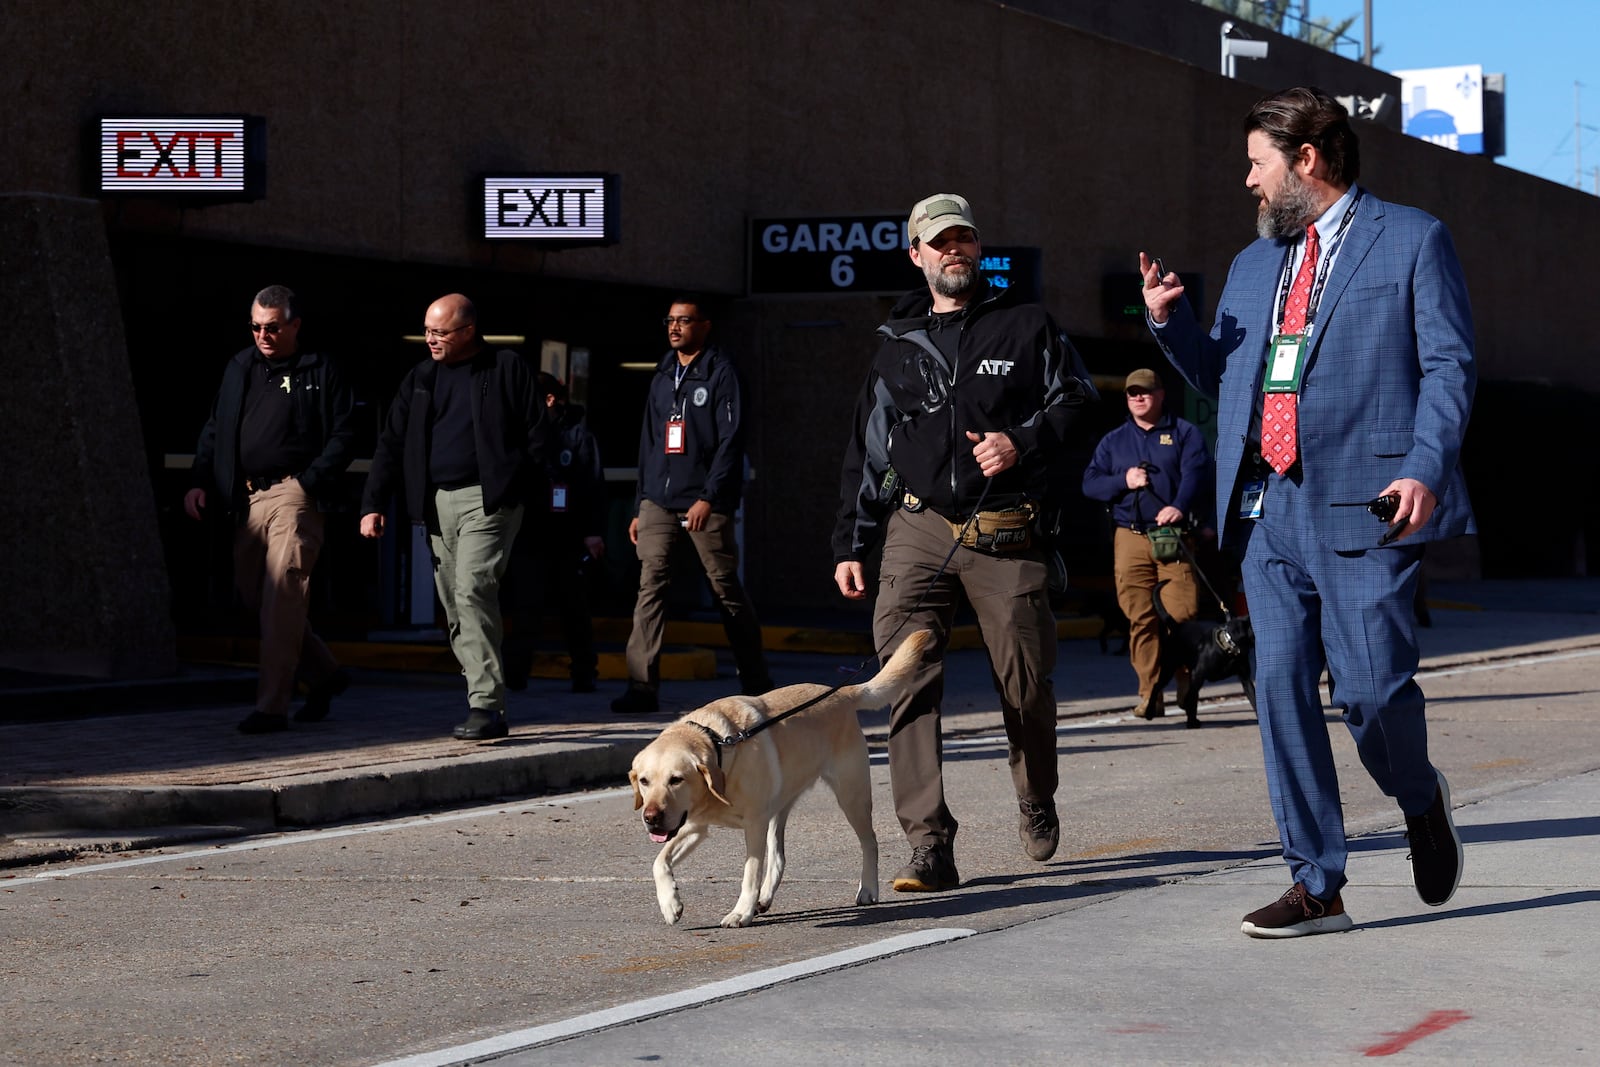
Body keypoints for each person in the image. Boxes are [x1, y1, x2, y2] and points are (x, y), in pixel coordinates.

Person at [1141, 86, 1474, 937]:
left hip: (1370, 505)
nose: (1249, 182)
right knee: (1279, 688)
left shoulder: (1411, 240)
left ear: (1307, 162)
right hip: (1268, 511)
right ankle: (1316, 882)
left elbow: (1448, 367)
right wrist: (1171, 324)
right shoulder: (1256, 267)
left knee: (1370, 691)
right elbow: (1227, 378)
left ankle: (1417, 794)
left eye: (1257, 164)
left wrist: (1426, 468)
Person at [833, 193, 1089, 891]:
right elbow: (866, 451)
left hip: (1005, 526)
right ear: (917, 255)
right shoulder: (892, 349)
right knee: (906, 677)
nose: (955, 250)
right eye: (939, 241)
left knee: (1026, 679)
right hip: (916, 528)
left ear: (979, 249)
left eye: (964, 239)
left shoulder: (1026, 324)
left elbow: (1078, 401)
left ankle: (1036, 794)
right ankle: (928, 843)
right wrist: (851, 543)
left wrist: (1021, 442)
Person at [359, 294, 549, 741]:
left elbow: (538, 433)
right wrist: (372, 503)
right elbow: (390, 443)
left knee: (473, 588)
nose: (430, 339)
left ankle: (486, 704)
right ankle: (483, 695)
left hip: (490, 500)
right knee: (455, 606)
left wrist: (516, 486)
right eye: (426, 330)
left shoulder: (504, 368)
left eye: (439, 332)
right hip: (437, 503)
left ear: (468, 331)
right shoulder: (421, 377)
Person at [185, 285, 357, 734]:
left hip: (294, 495)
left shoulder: (321, 369)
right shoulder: (240, 366)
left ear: (295, 325)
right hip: (244, 498)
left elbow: (345, 433)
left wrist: (309, 481)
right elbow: (215, 427)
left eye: (273, 327)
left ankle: (272, 708)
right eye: (257, 326)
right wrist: (200, 481)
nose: (263, 334)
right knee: (253, 597)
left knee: (283, 598)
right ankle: (325, 674)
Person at [610, 298, 773, 715]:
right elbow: (649, 441)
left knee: (724, 588)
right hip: (658, 501)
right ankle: (641, 686)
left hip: (705, 499)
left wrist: (709, 497)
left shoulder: (722, 373)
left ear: (705, 326)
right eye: (670, 320)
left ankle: (756, 678)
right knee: (651, 586)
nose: (675, 327)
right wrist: (639, 503)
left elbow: (731, 442)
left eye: (685, 321)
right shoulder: (664, 373)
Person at [1081, 368, 1210, 720]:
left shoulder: (1185, 434)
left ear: (1161, 394)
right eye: (1131, 392)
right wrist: (1123, 479)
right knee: (1140, 619)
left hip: (1173, 537)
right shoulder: (1114, 441)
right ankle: (1150, 694)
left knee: (1182, 618)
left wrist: (1179, 506)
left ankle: (1187, 686)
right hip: (1130, 537)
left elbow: (1198, 475)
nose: (1138, 397)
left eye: (1145, 392)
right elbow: (1090, 484)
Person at [501, 372, 606, 694]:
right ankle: (515, 675)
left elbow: (592, 484)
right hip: (530, 532)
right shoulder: (521, 432)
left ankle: (584, 673)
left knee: (574, 608)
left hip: (569, 533)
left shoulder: (577, 435)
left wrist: (592, 531)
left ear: (548, 400)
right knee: (525, 607)